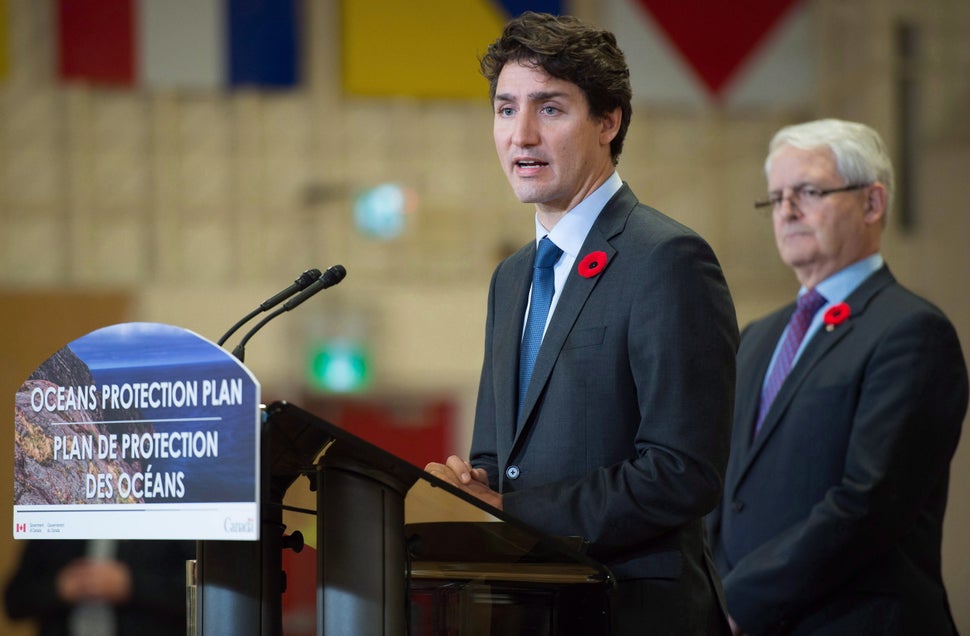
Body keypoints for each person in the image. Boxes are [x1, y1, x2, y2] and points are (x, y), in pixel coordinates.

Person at [424, 12, 739, 634]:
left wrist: (509, 511)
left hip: (633, 612)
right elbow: (499, 457)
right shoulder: (511, 277)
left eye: (550, 109)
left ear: (608, 121)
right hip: (529, 611)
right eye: (506, 109)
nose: (522, 136)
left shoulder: (667, 259)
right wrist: (468, 484)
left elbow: (682, 472)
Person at [707, 118, 968, 635]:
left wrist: (738, 601)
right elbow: (724, 484)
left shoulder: (911, 331)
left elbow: (868, 504)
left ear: (872, 204)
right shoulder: (759, 336)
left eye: (808, 191)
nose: (786, 210)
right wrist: (708, 594)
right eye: (776, 197)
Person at [4, 539, 195, 636]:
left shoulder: (166, 516)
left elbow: (202, 596)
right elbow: (14, 602)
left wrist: (133, 584)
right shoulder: (61, 516)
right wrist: (59, 587)